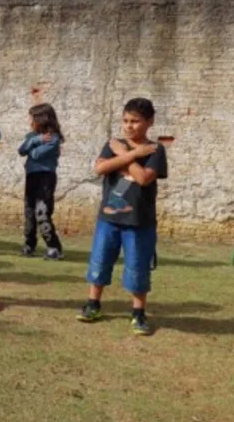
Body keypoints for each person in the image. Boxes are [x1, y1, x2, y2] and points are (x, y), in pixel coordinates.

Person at [78, 98, 167, 336]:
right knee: (99, 261)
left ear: (149, 122)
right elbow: (99, 168)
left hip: (140, 221)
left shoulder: (156, 150)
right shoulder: (114, 144)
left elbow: (144, 178)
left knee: (137, 267)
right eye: (125, 120)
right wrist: (132, 154)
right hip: (108, 219)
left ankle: (138, 313)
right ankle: (93, 304)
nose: (129, 126)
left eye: (135, 121)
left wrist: (123, 156)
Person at [17, 103, 65, 260]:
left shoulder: (54, 137)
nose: (29, 121)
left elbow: (36, 155)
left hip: (45, 177)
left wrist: (32, 147)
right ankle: (29, 244)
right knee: (29, 211)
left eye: (32, 118)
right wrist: (36, 139)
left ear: (42, 119)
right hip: (31, 176)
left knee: (42, 211)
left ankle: (54, 247)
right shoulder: (33, 136)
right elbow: (22, 150)